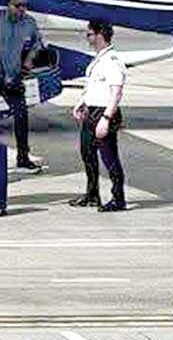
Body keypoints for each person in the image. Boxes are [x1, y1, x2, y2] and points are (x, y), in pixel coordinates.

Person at [69, 19, 128, 212]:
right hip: (91, 111)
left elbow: (116, 93)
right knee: (87, 154)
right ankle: (92, 193)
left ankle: (118, 198)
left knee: (109, 158)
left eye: (89, 34)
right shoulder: (99, 59)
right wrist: (81, 102)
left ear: (99, 35)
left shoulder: (112, 61)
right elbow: (94, 86)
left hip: (104, 113)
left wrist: (106, 118)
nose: (87, 38)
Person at [0, 0, 45, 173]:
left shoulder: (29, 23)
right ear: (8, 5)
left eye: (25, 6)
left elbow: (37, 43)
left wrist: (28, 62)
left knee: (21, 117)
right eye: (17, 5)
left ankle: (23, 157)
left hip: (13, 76)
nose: (22, 9)